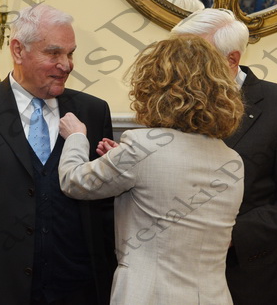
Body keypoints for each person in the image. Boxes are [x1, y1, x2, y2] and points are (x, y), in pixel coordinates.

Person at [0, 4, 116, 305]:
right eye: (54, 53)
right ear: (18, 50)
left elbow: (105, 212)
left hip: (79, 291)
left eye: (70, 54)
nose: (66, 65)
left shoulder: (93, 111)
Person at [57, 36, 245, 304]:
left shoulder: (142, 147)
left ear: (154, 86)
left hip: (147, 294)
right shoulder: (232, 159)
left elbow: (74, 182)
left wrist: (76, 137)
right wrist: (121, 160)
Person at [170, 8, 277, 305]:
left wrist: (233, 235)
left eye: (195, 57)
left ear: (231, 60)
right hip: (181, 275)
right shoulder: (172, 104)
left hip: (255, 278)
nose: (181, 67)